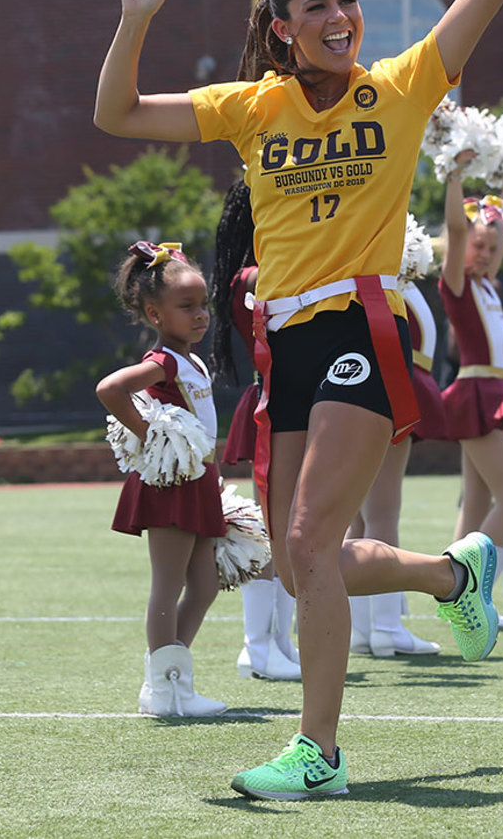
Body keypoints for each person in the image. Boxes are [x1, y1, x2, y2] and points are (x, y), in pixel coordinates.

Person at [94, 0, 503, 801]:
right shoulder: (257, 107)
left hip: (357, 327)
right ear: (283, 29)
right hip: (283, 344)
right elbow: (115, 112)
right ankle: (454, 576)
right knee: (302, 563)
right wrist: (133, 23)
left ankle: (320, 752)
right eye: (320, 7)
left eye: (350, 2)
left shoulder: (404, 86)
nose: (342, 18)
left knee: (298, 544)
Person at [95, 241, 228, 718]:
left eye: (203, 305)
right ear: (154, 313)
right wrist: (151, 434)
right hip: (172, 482)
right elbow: (110, 389)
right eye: (186, 306)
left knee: (206, 583)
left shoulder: (191, 359)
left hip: (198, 479)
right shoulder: (165, 360)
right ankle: (167, 692)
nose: (200, 315)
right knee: (168, 584)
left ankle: (168, 677)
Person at [209, 179, 301, 681]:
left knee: (288, 529)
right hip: (275, 403)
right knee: (275, 530)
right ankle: (257, 648)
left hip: (294, 403)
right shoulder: (253, 278)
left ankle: (277, 643)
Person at [348, 217, 448, 658]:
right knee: (382, 513)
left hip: (381, 387)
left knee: (359, 515)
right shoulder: (381, 288)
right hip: (387, 390)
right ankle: (385, 625)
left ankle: (363, 627)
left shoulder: (394, 287)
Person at [439, 157, 503, 626]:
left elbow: (502, 226)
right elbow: (456, 230)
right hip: (474, 393)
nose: (487, 253)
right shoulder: (457, 286)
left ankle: (460, 596)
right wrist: (454, 177)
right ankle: (468, 590)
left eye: (492, 247)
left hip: (490, 392)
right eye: (479, 246)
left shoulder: (488, 285)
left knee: (475, 503)